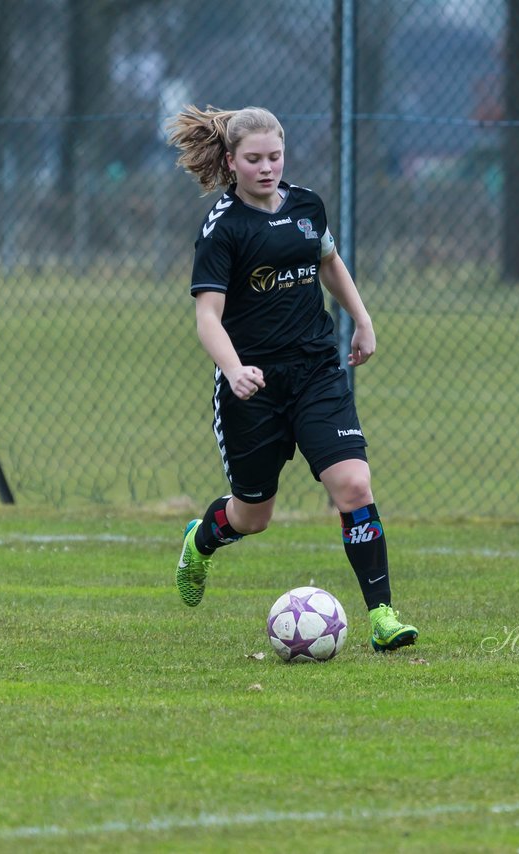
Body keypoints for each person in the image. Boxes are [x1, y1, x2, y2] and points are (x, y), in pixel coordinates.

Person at [165, 105, 418, 652]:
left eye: (274, 157)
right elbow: (208, 315)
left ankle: (383, 616)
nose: (266, 168)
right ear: (230, 162)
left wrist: (363, 319)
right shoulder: (223, 228)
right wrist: (233, 370)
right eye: (253, 159)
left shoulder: (306, 206)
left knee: (353, 485)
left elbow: (328, 260)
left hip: (317, 371)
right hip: (252, 386)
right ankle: (201, 539)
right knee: (252, 517)